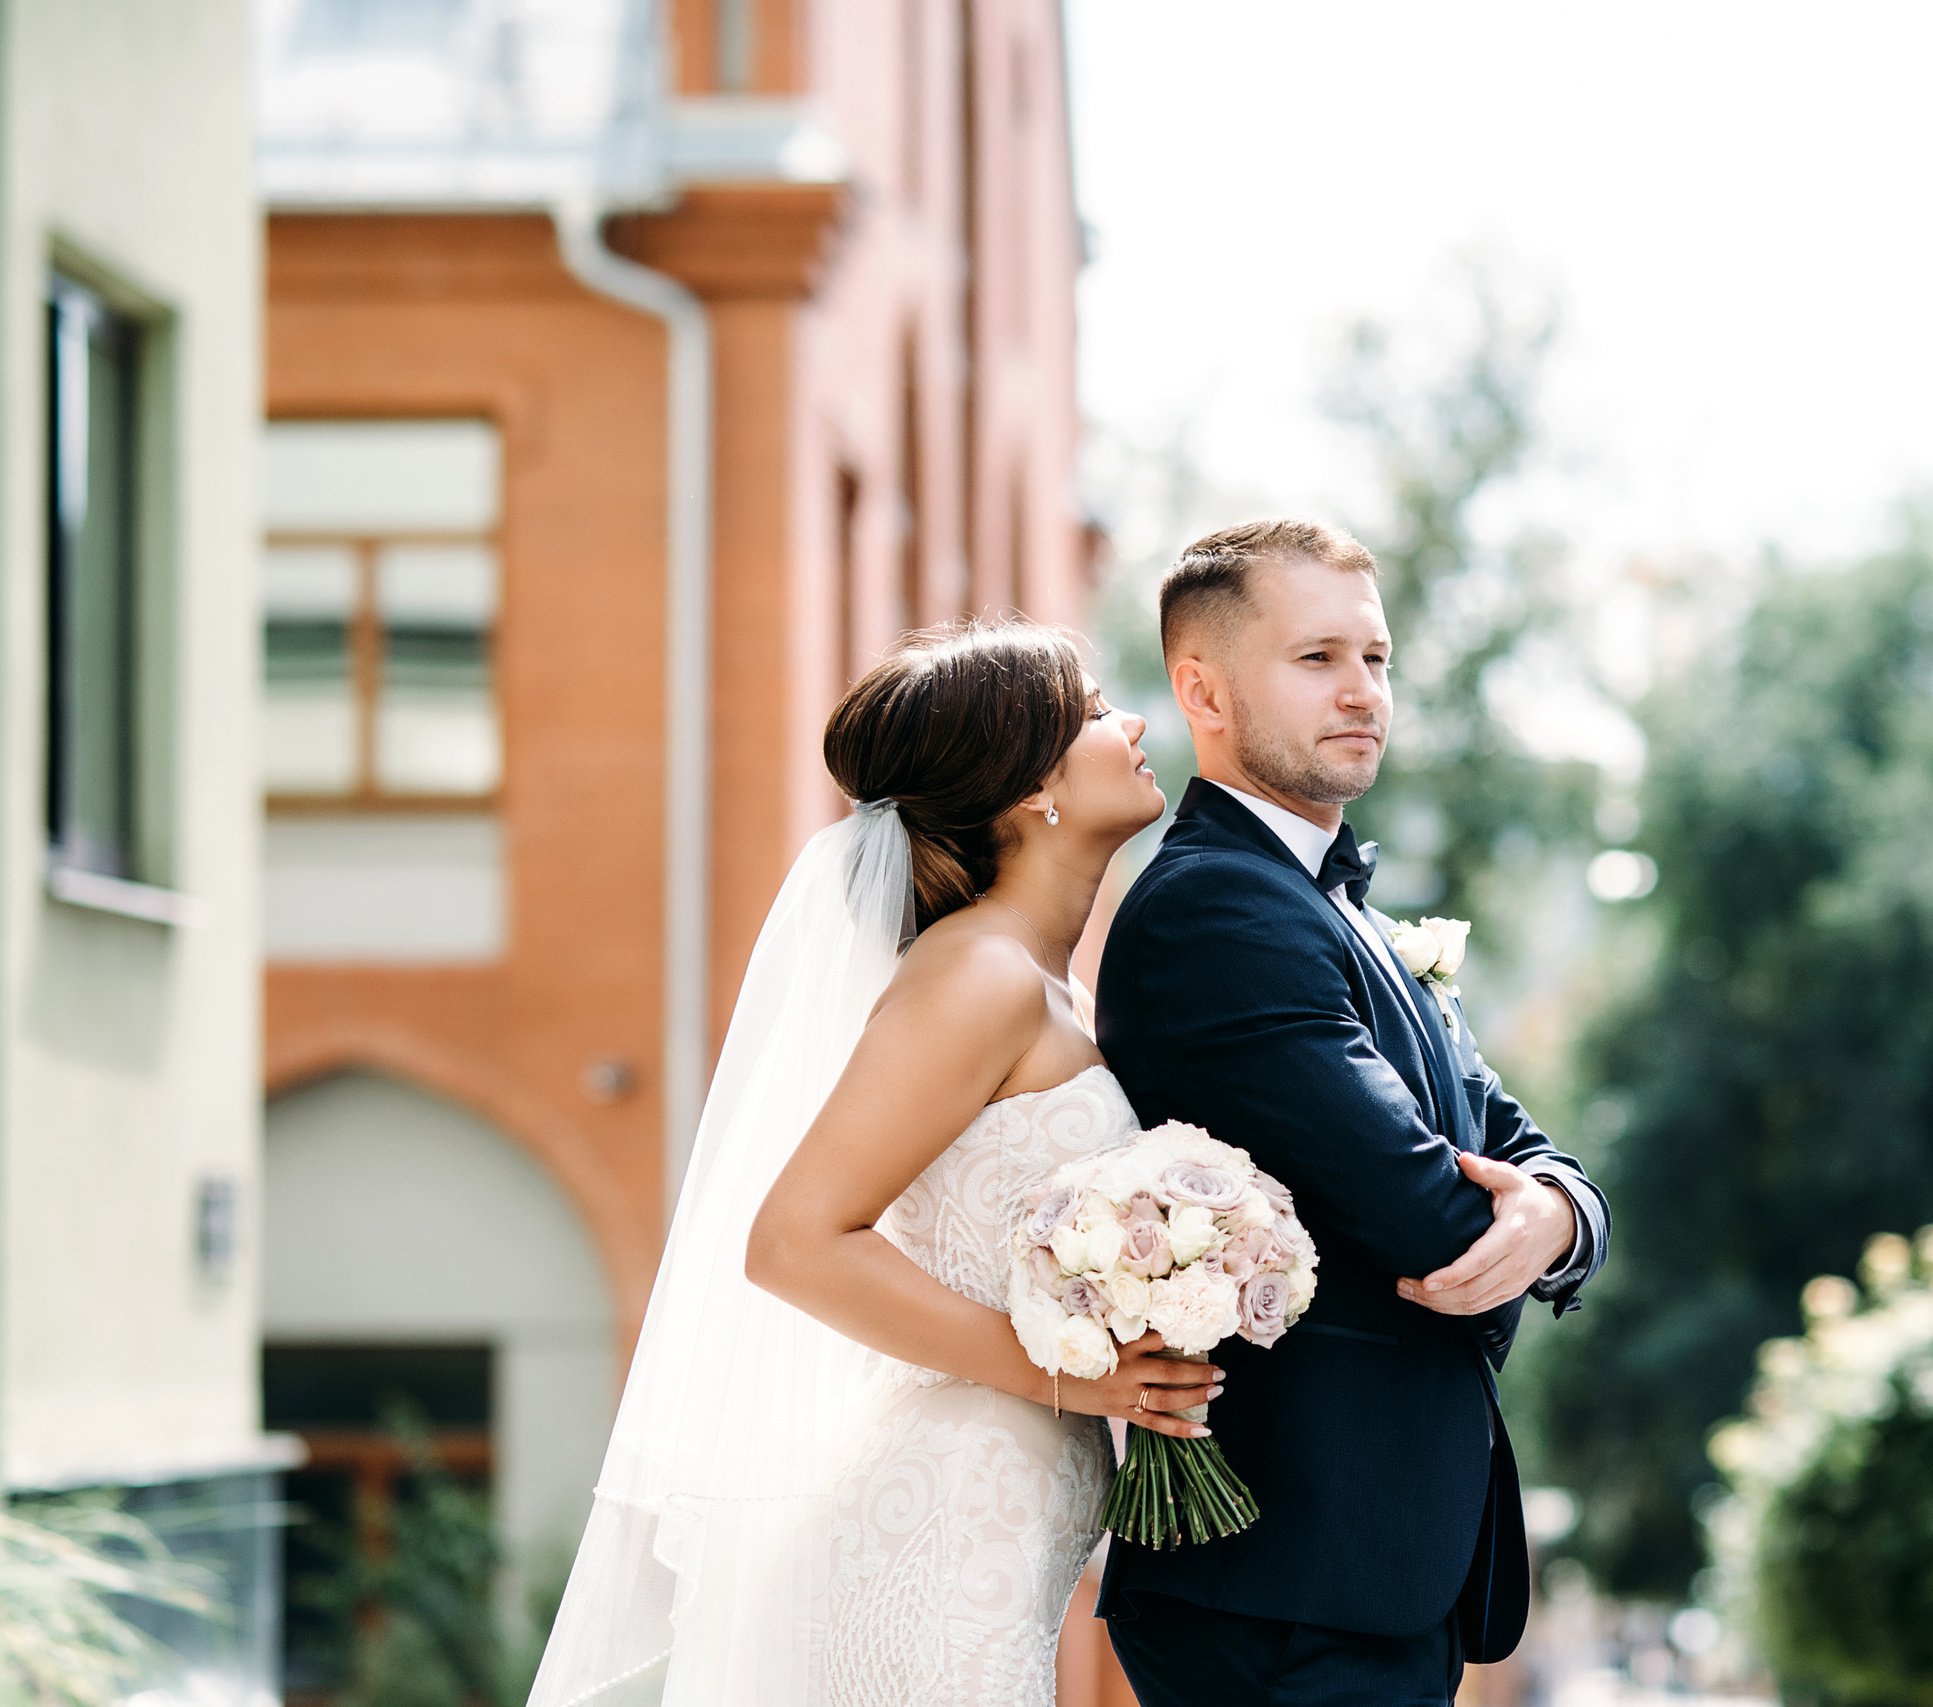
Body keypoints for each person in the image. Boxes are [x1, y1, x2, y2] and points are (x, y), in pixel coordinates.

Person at [527, 622, 1210, 1707]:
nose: (1129, 724)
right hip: (939, 1519)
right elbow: (794, 1242)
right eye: (1089, 711)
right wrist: (1069, 1372)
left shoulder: (1042, 987)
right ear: (1030, 786)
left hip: (998, 1513)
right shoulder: (978, 976)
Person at [1092, 519, 1611, 1707]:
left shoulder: (1346, 915)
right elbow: (1423, 1207)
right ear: (1201, 690)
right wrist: (1505, 1213)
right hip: (1287, 1573)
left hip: (1365, 1564)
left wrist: (1557, 1215)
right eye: (1317, 659)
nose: (1364, 692)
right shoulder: (1216, 911)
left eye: (1375, 659)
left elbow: (1518, 1142)